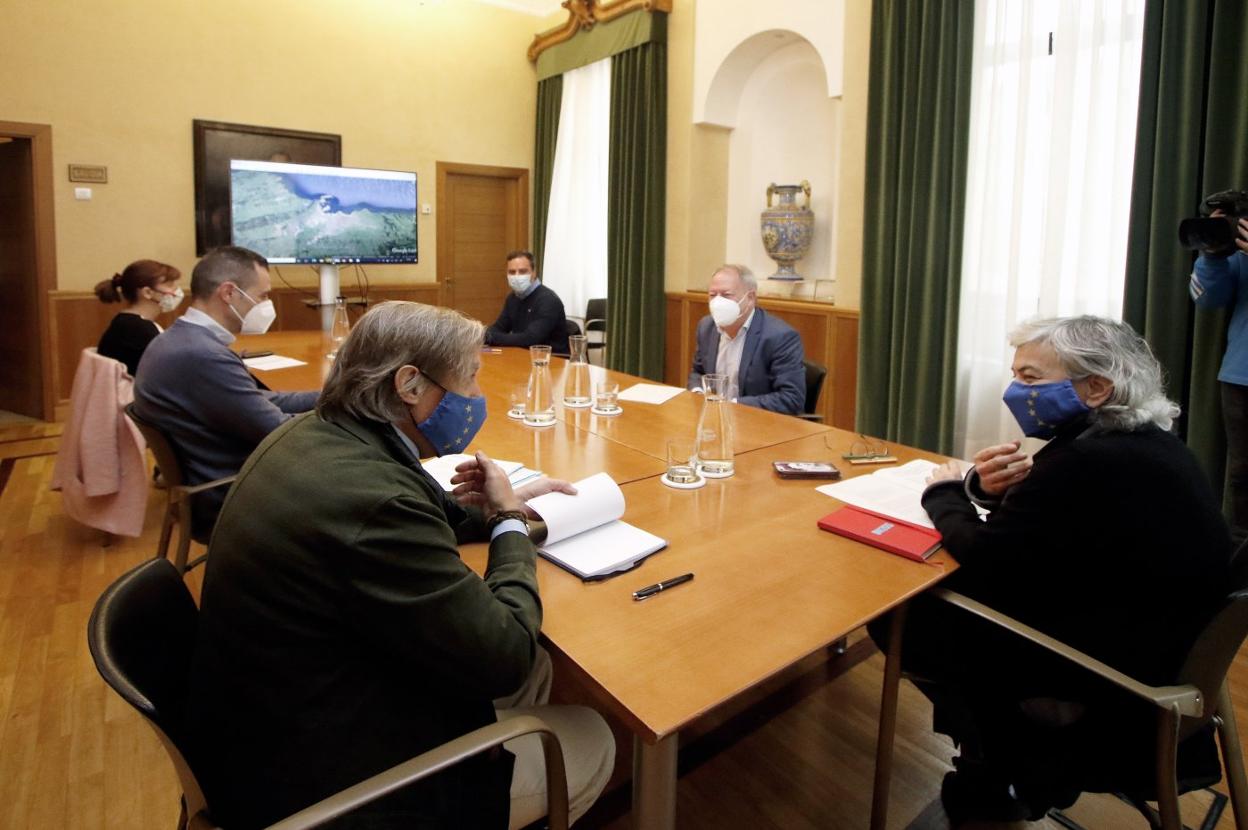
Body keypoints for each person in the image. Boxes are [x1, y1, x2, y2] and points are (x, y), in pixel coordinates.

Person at [187, 300, 614, 829]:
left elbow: (406, 506)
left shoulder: (317, 433)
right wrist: (507, 522)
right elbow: (508, 656)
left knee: (542, 667)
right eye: (469, 378)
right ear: (409, 385)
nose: (476, 395)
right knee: (592, 734)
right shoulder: (372, 502)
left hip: (275, 712)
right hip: (325, 782)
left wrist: (494, 506)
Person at [871, 316, 1232, 825]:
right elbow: (1054, 531)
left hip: (1107, 684)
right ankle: (997, 760)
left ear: (1097, 387)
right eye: (1015, 375)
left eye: (1031, 378)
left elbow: (988, 562)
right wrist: (981, 491)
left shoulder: (1087, 461)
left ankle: (1006, 762)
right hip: (1156, 657)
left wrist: (944, 493)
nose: (1016, 391)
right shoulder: (1144, 443)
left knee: (900, 616)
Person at [132, 246, 317, 538]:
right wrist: (347, 416)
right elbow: (279, 431)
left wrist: (332, 396)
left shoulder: (180, 340)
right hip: (233, 497)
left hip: (212, 486)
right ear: (229, 293)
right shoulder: (202, 354)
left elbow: (259, 401)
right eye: (263, 296)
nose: (266, 305)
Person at [1190, 211, 1248, 543]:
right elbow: (1207, 298)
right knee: (1243, 476)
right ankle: (1241, 559)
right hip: (1241, 376)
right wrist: (1212, 253)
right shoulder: (1241, 249)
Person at [687, 264, 805, 414]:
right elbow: (698, 372)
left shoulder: (780, 336)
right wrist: (698, 393)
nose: (717, 302)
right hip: (714, 416)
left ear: (750, 298)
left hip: (757, 422)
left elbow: (792, 398)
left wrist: (732, 404)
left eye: (726, 295)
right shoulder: (706, 327)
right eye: (712, 295)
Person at [94, 259, 184, 376]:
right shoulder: (139, 331)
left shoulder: (124, 321)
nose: (176, 290)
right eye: (169, 285)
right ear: (147, 292)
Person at [484, 250, 570, 354]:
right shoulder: (512, 298)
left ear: (534, 273)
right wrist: (488, 335)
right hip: (522, 355)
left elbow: (530, 339)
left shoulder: (548, 300)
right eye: (512, 272)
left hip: (551, 359)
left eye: (522, 271)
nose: (516, 276)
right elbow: (497, 328)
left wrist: (492, 337)